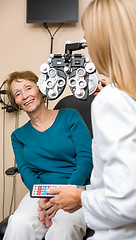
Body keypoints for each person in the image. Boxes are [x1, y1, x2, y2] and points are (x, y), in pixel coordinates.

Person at [39, 0, 136, 239]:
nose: (85, 40)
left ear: (105, 40)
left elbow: (126, 203)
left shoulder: (112, 101)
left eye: (88, 34)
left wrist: (81, 199)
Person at [3, 70, 93, 240]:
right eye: (18, 93)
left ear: (41, 89)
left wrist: (66, 194)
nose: (25, 95)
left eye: (28, 88)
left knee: (64, 229)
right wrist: (42, 197)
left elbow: (85, 159)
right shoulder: (18, 136)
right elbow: (26, 171)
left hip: (76, 187)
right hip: (42, 191)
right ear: (16, 102)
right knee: (18, 224)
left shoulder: (70, 116)